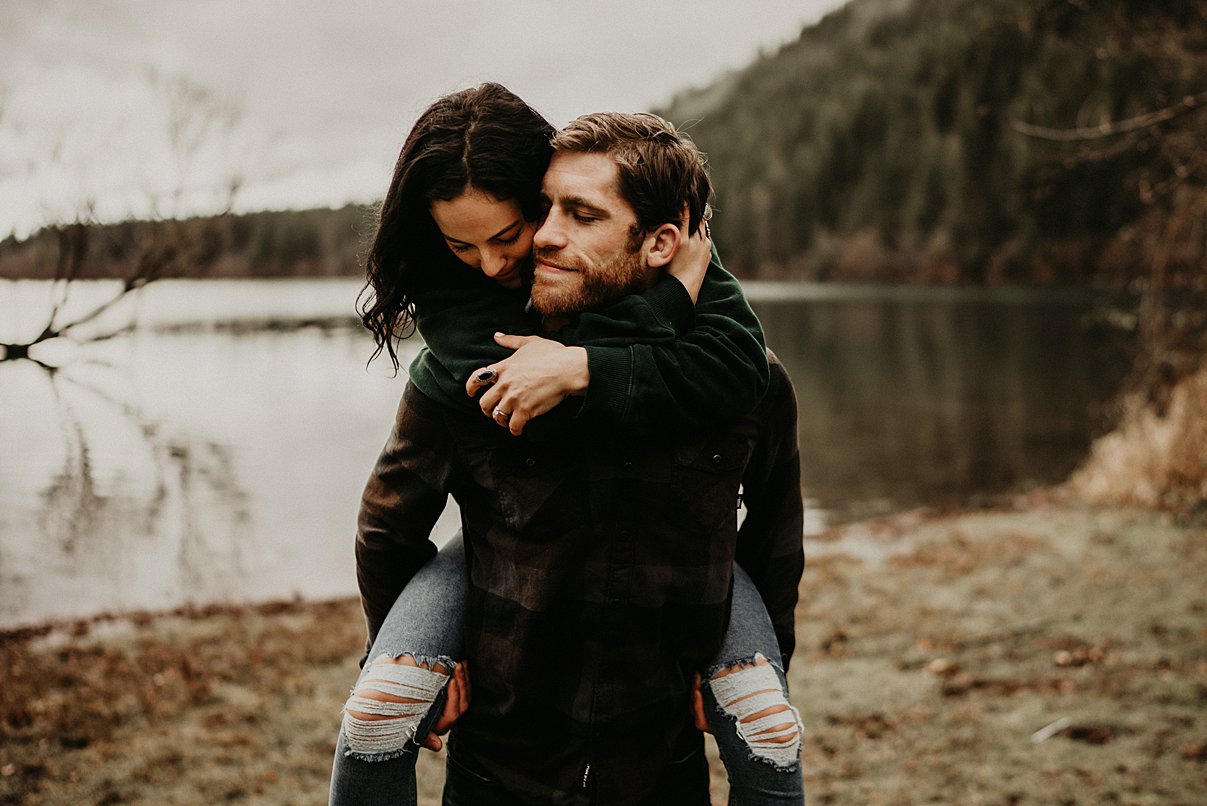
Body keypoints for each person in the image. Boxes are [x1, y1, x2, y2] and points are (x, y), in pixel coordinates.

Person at [329, 84, 804, 805]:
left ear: (662, 243)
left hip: (659, 770)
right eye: (547, 210)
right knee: (372, 719)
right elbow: (386, 527)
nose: (539, 239)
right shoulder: (466, 365)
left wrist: (759, 666)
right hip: (500, 768)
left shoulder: (737, 377)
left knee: (771, 736)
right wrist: (414, 660)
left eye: (577, 215)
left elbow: (772, 536)